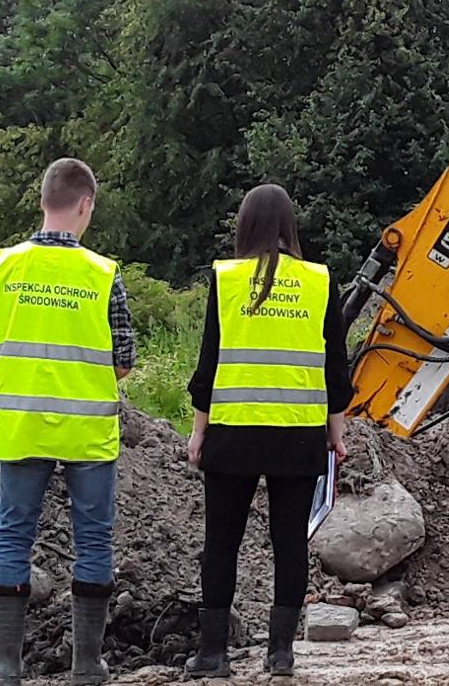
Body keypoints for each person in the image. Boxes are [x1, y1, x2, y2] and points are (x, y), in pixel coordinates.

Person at [0, 158, 136, 686]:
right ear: (85, 204)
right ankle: (86, 666)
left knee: (13, 537)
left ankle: (6, 666)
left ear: (43, 201)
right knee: (93, 541)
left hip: (21, 427)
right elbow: (124, 358)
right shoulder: (102, 274)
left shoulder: (2, 268)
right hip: (87, 431)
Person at [182, 184, 353, 678]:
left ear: (245, 226)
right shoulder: (320, 281)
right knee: (289, 544)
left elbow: (208, 363)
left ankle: (212, 654)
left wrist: (199, 431)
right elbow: (335, 369)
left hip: (233, 431)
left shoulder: (228, 278)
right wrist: (335, 432)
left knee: (221, 542)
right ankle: (280, 653)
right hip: (297, 433)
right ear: (289, 227)